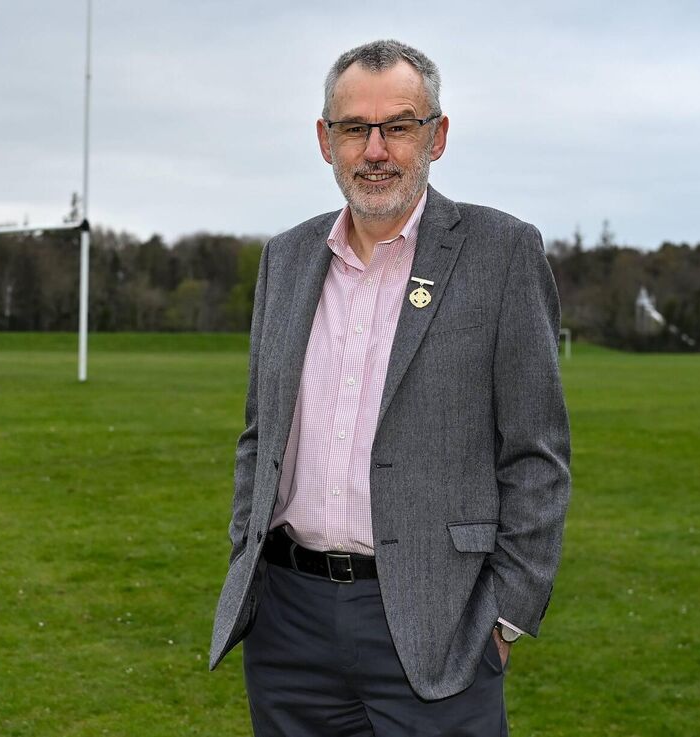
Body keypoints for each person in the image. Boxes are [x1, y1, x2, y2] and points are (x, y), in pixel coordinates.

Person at [209, 40, 571, 736]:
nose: (376, 150)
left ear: (436, 135)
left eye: (398, 126)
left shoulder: (501, 252)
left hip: (439, 624)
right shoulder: (286, 259)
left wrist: (505, 615)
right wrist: (246, 557)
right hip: (289, 625)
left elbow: (536, 453)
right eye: (355, 128)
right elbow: (261, 434)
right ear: (326, 140)